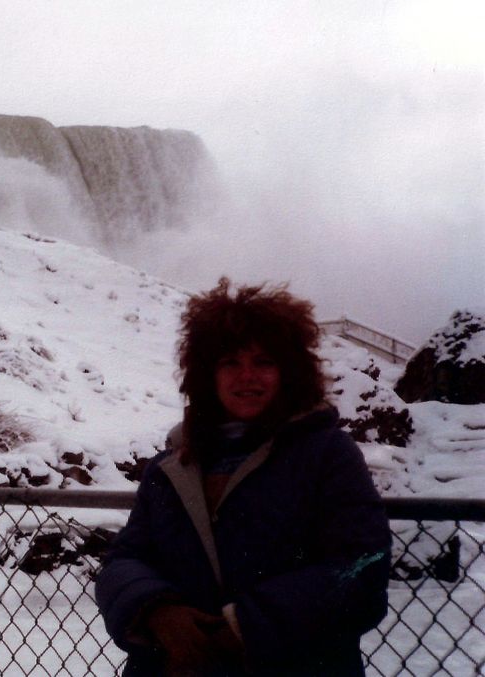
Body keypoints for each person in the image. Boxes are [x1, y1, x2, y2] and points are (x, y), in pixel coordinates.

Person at [96, 278, 391, 676]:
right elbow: (125, 558)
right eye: (230, 362)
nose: (246, 376)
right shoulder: (171, 467)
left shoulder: (327, 454)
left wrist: (245, 627)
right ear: (206, 374)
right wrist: (157, 612)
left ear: (289, 372)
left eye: (263, 362)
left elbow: (362, 566)